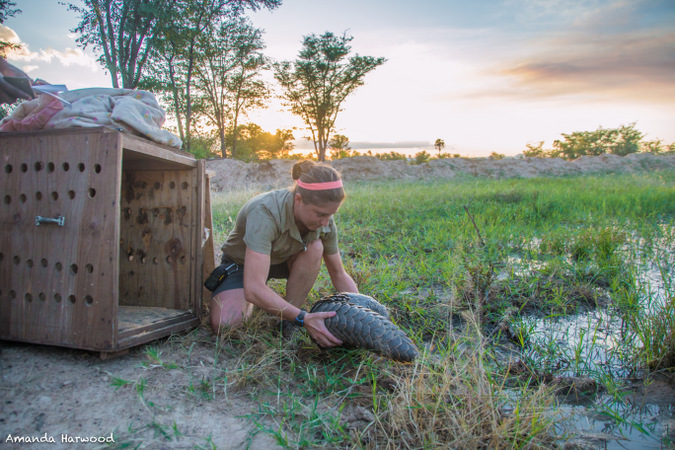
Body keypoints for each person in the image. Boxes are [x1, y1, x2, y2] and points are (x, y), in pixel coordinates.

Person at [210, 160, 359, 348]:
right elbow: (253, 288)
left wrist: (364, 311)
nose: (325, 222)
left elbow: (339, 274)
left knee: (315, 247)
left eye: (331, 215)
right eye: (320, 214)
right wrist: (304, 318)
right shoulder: (265, 212)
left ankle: (288, 320)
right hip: (243, 265)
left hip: (283, 260)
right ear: (298, 200)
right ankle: (281, 309)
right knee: (226, 325)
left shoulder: (325, 220)